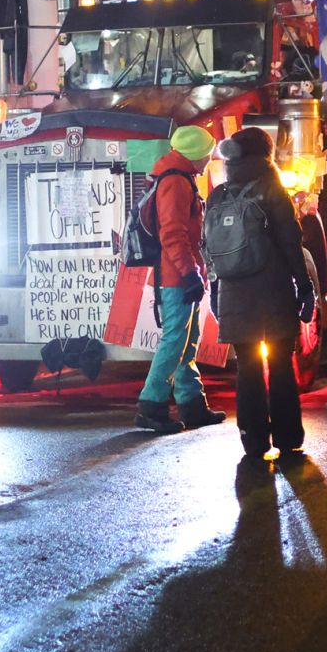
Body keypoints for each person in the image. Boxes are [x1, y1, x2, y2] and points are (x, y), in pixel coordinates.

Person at [208, 128, 314, 459]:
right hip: (273, 293)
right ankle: (287, 437)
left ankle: (253, 440)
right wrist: (305, 286)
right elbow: (290, 244)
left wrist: (215, 290)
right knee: (281, 363)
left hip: (233, 294)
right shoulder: (272, 190)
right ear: (266, 155)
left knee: (248, 367)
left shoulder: (219, 194)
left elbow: (210, 249)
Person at [135, 124, 227, 434]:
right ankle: (151, 404)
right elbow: (172, 234)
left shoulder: (179, 177)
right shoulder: (176, 183)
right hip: (176, 275)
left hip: (182, 273)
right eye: (207, 153)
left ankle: (192, 405)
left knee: (187, 340)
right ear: (196, 155)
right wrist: (189, 273)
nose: (209, 159)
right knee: (175, 339)